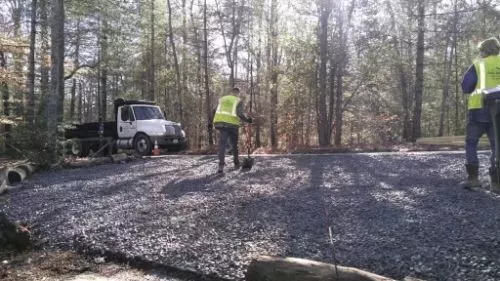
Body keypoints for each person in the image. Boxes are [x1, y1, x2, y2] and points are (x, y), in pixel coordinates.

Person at [461, 37, 500, 191]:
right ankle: (496, 183)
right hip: (498, 112)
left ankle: (473, 179)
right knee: (497, 146)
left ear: (484, 50)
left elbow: (466, 87)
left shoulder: (478, 65)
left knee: (471, 143)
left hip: (478, 110)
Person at [210, 87, 252, 173]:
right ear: (237, 93)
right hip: (232, 125)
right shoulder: (237, 100)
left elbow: (214, 111)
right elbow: (239, 113)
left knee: (222, 144)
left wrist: (210, 122)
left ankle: (221, 166)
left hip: (220, 124)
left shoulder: (223, 99)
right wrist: (247, 120)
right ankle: (236, 163)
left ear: (231, 92)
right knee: (234, 144)